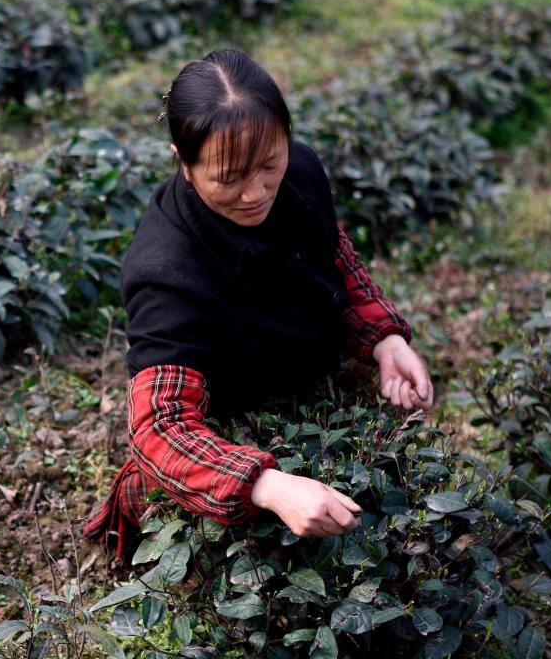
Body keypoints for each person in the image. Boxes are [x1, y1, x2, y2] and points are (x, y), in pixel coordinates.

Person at [83, 48, 435, 561]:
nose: (256, 192)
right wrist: (267, 486)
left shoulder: (301, 173)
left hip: (306, 384)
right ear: (184, 163)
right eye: (228, 178)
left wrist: (385, 339)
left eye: (270, 164)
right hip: (227, 430)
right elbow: (160, 427)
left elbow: (332, 256)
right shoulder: (167, 270)